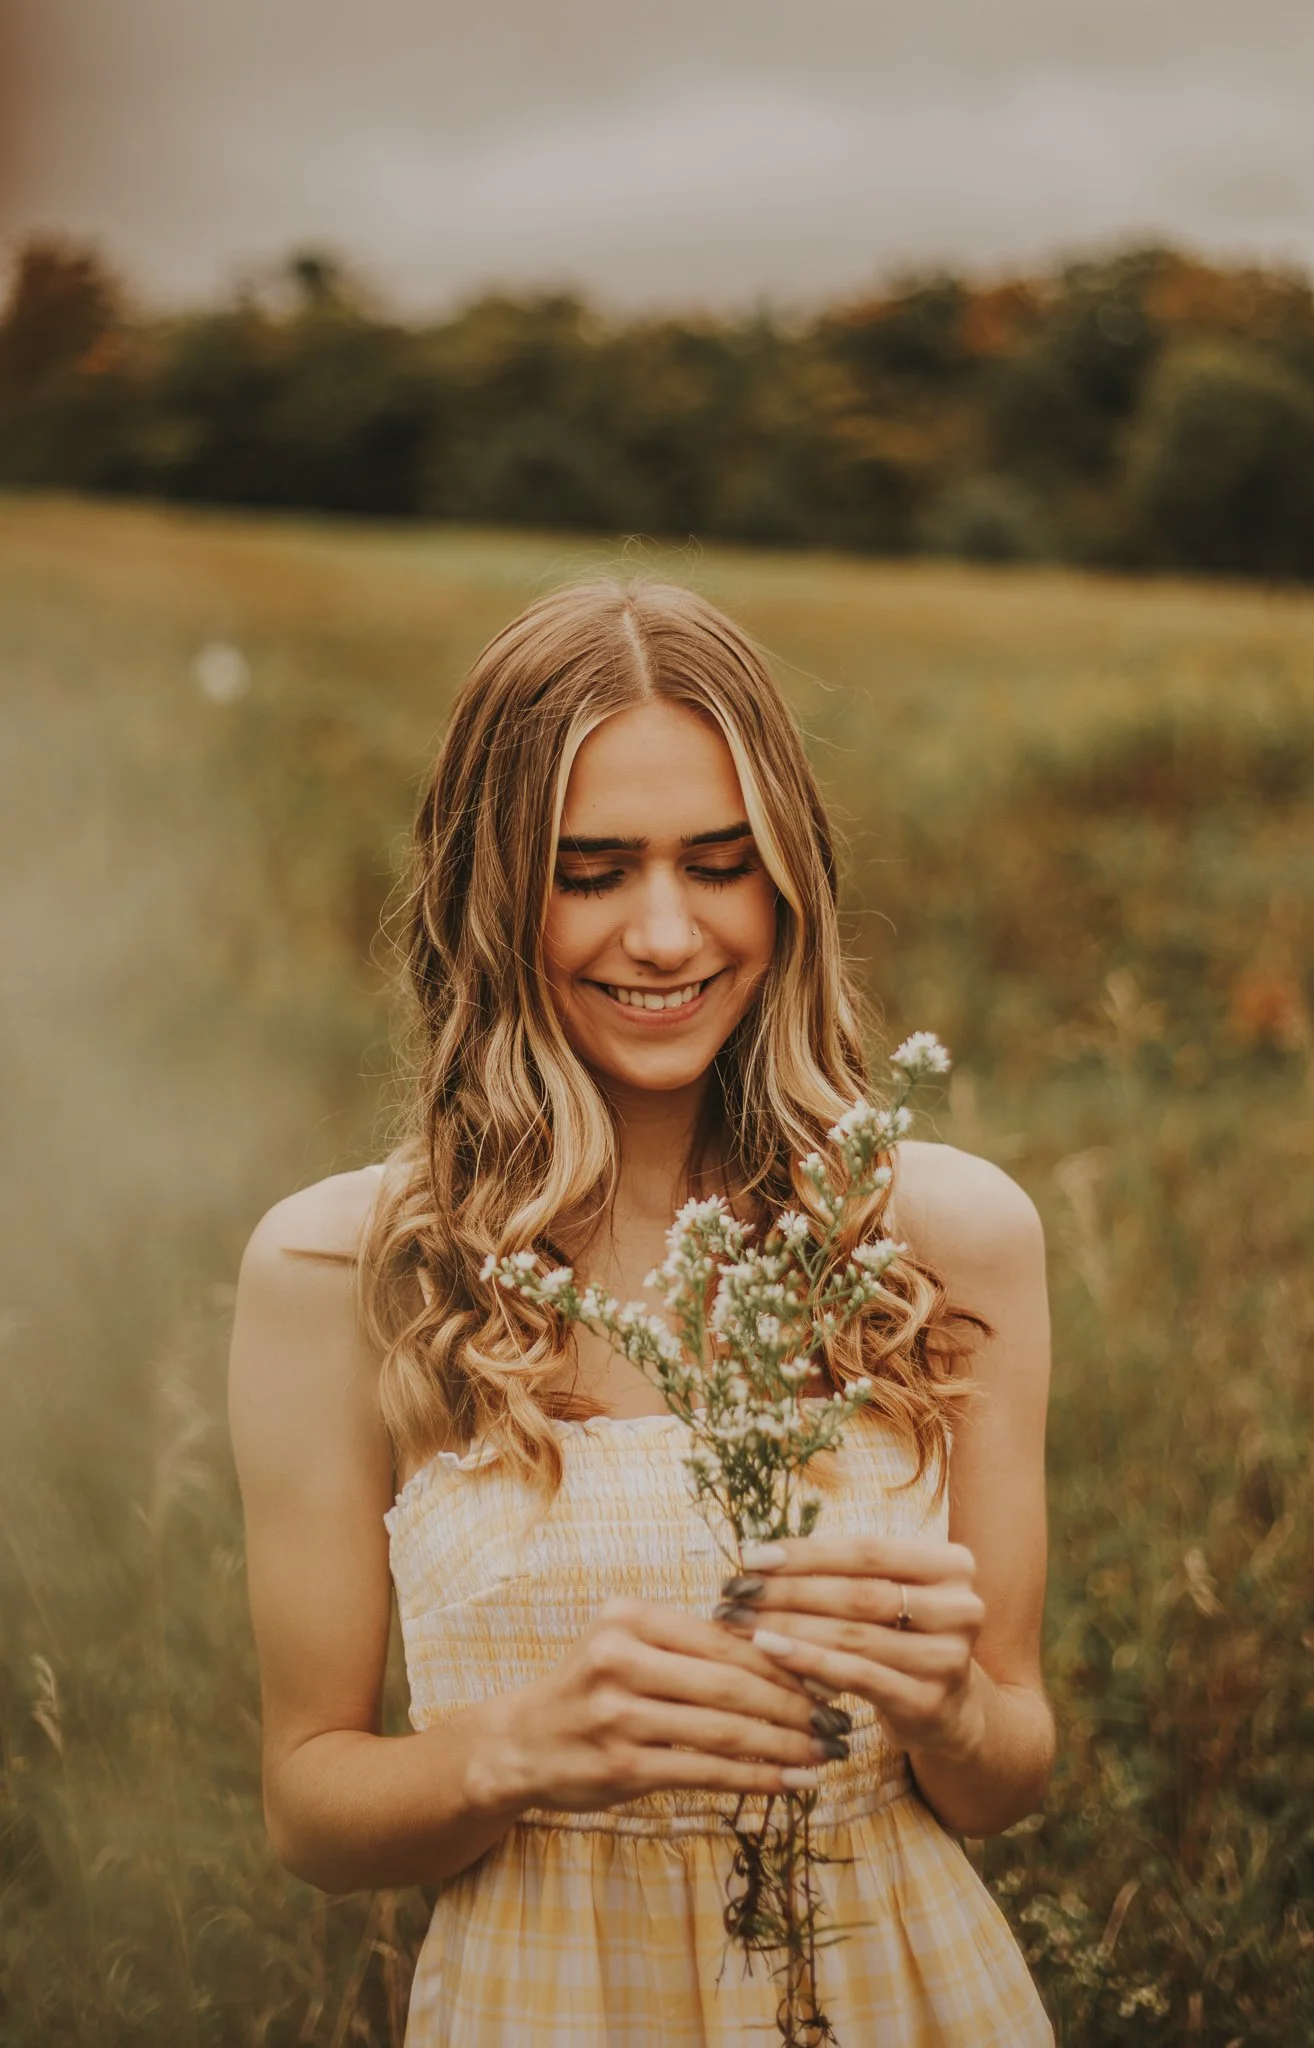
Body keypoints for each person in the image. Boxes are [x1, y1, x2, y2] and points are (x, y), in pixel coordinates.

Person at [228, 579, 1055, 2045]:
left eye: (717, 864)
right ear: (493, 890)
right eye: (591, 871)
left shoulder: (949, 1236)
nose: (664, 934)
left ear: (786, 880)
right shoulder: (340, 1274)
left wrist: (949, 1713)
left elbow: (1006, 1774)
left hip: (899, 1992)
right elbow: (310, 1803)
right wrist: (520, 1750)